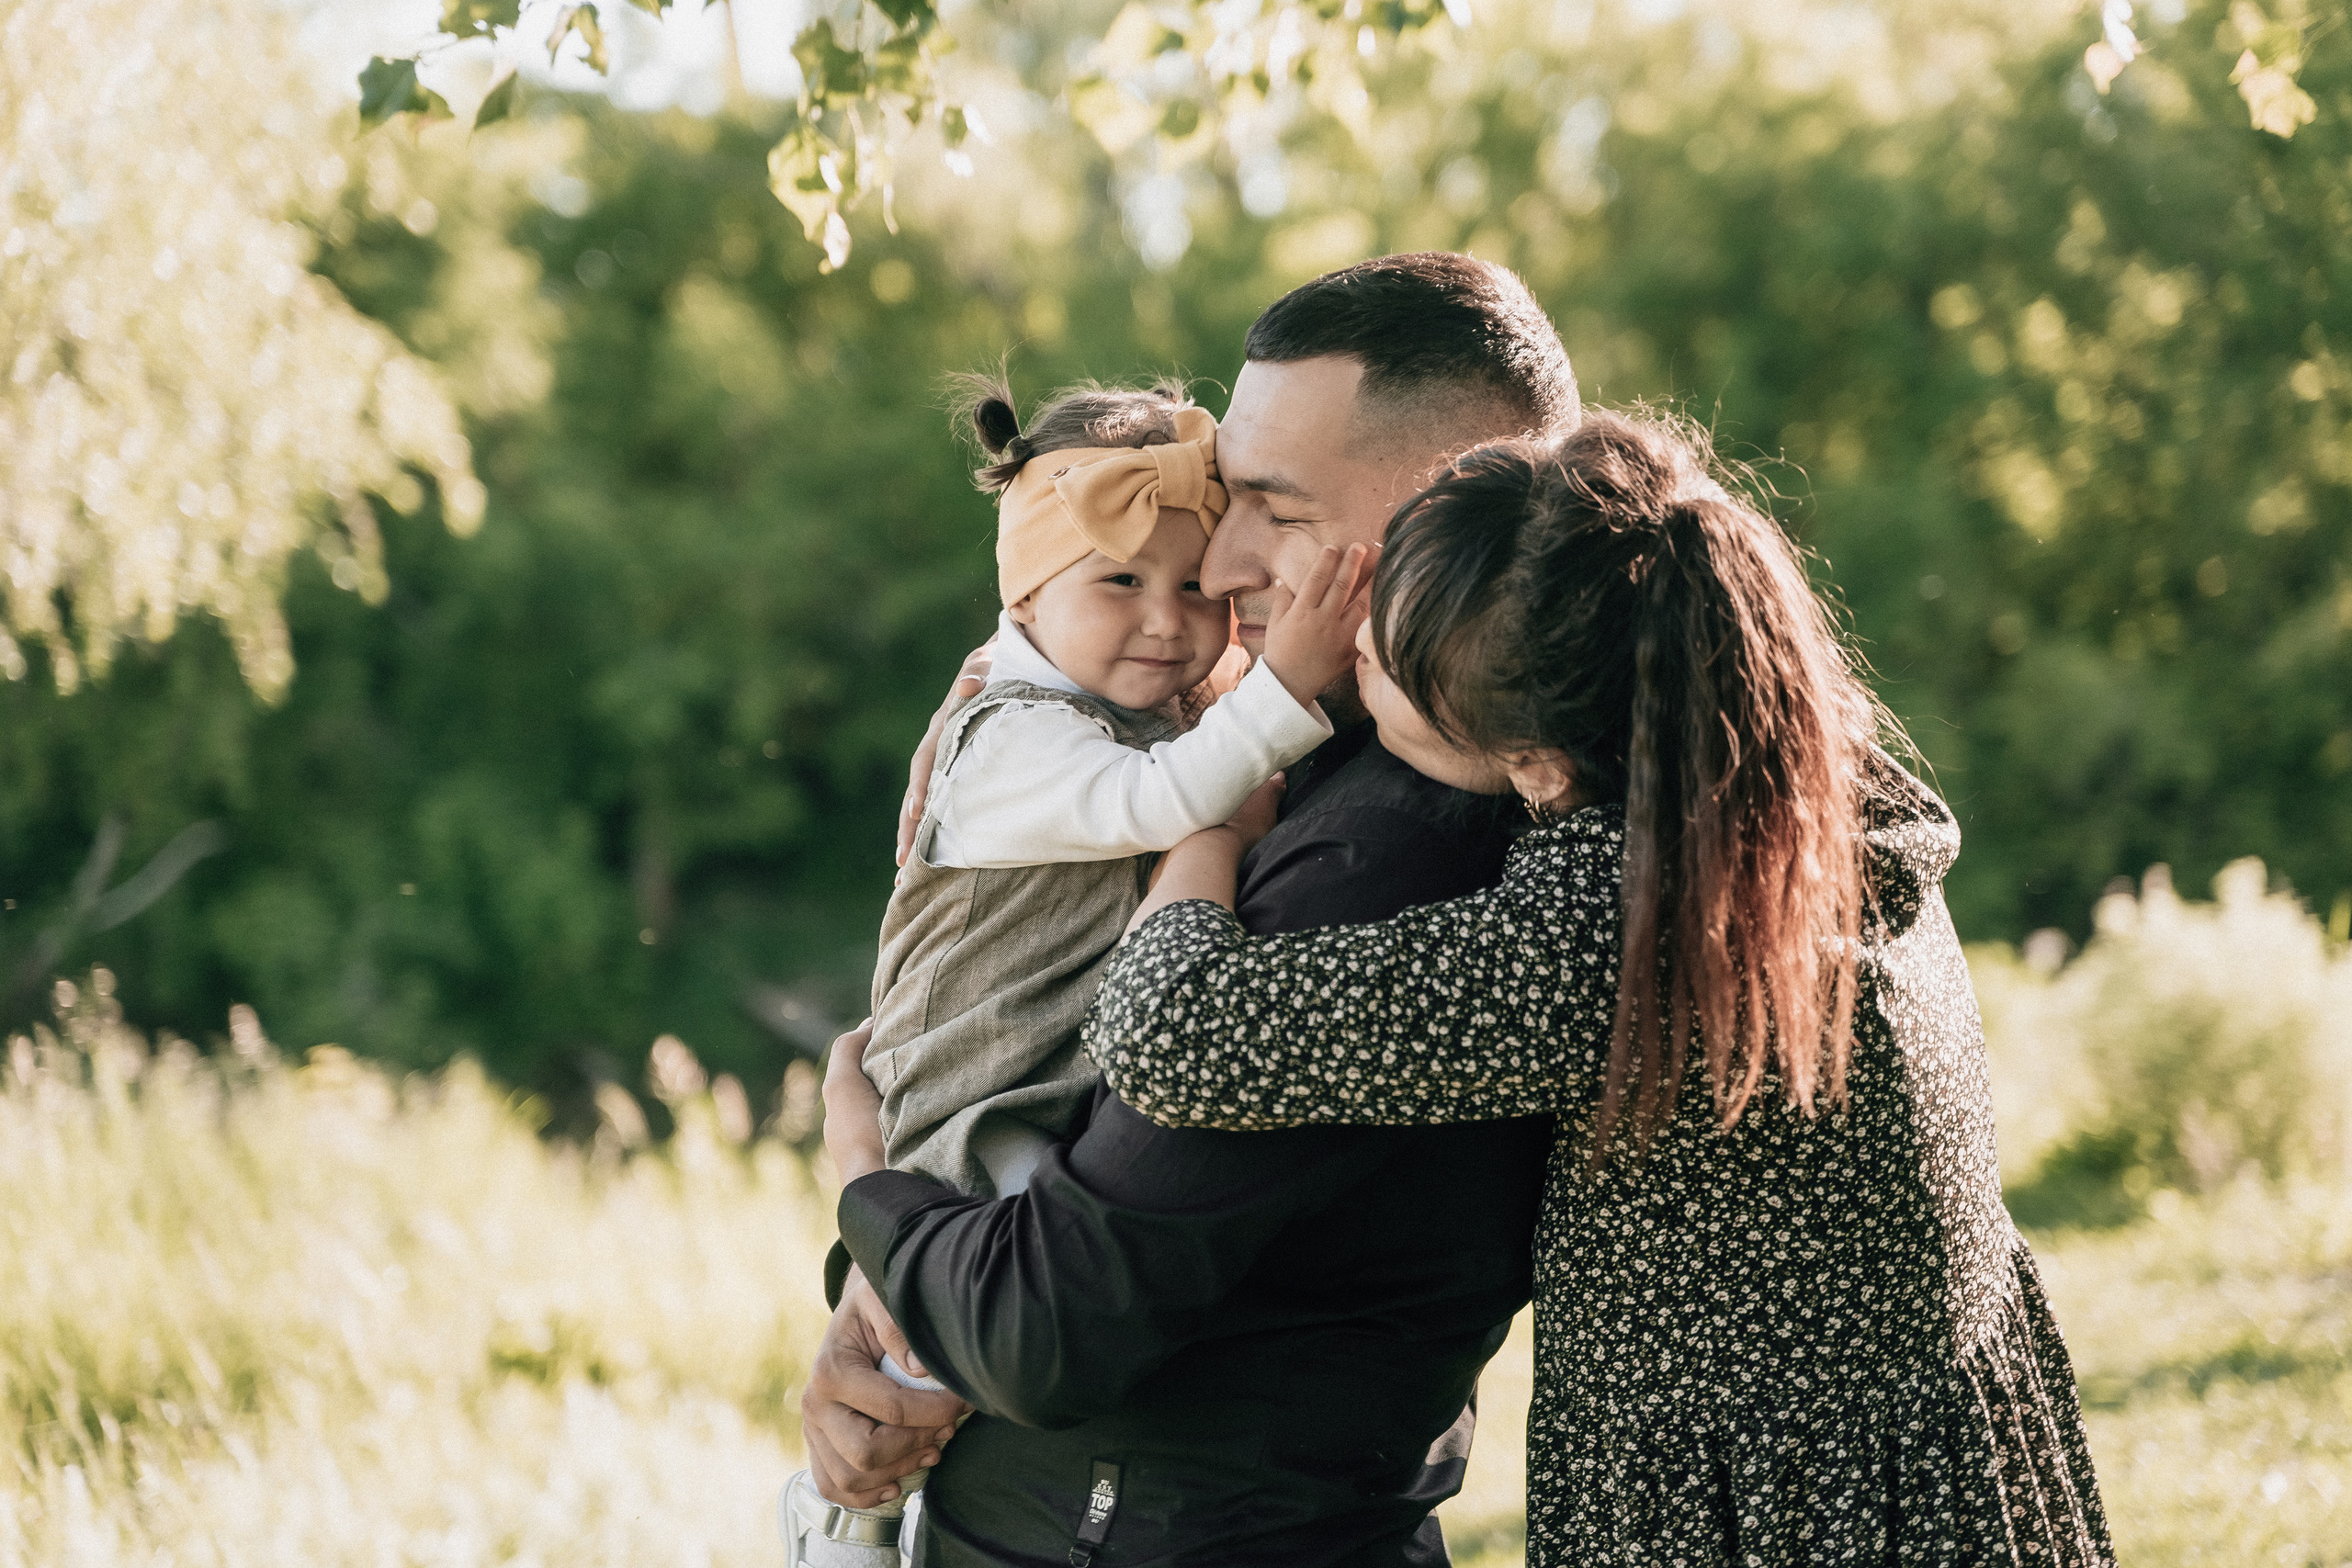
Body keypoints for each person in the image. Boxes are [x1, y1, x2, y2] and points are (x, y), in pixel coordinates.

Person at [1083, 412, 2114, 1566]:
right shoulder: (1792, 772)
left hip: (1755, 1509)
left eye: (1395, 659)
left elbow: (1166, 1032)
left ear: (1535, 767)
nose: (1358, 639)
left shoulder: (1612, 939)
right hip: (1930, 1455)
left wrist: (1206, 819)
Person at [800, 253, 1577, 1567]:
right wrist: (874, 1309)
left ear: (1453, 505)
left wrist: (867, 1186)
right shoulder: (1305, 745)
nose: (1215, 563)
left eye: (1269, 506)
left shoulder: (1393, 845)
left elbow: (1051, 1313)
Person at [778, 378, 1363, 1564]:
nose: (1169, 620)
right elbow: (1166, 798)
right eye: (1121, 582)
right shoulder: (1013, 736)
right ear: (1025, 595)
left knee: (992, 1292)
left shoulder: (1105, 700)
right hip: (975, 1070)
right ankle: (841, 1519)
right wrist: (1286, 680)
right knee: (972, 1298)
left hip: (1042, 1061)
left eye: (1198, 587)